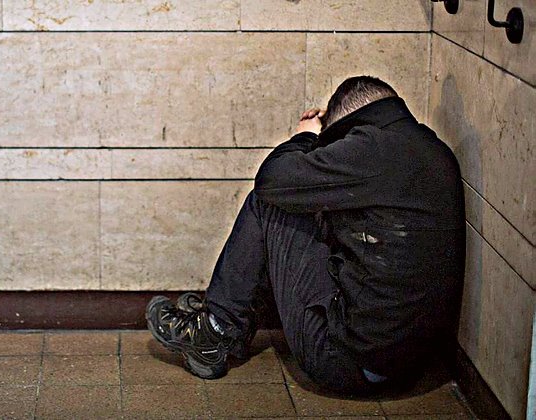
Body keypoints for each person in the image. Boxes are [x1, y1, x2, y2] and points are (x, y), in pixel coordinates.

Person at [146, 76, 465, 394]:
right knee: (310, 206)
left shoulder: (374, 148)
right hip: (410, 367)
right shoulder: (430, 150)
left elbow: (272, 180)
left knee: (270, 202)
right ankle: (231, 320)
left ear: (352, 122)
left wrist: (306, 137)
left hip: (349, 364)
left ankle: (214, 332)